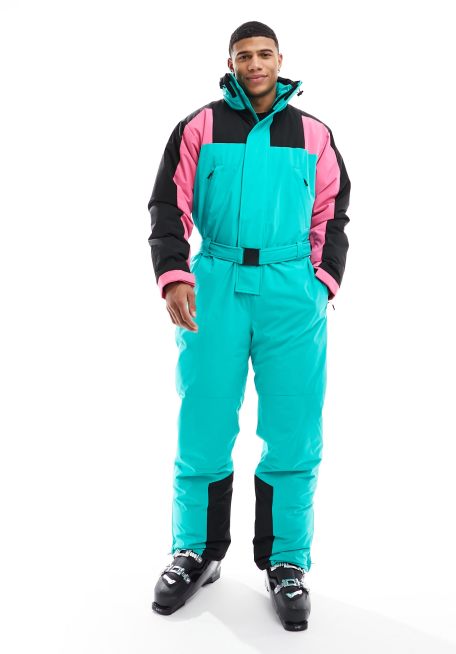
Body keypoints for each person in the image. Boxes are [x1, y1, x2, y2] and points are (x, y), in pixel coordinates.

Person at [147, 20, 351, 631]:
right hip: (216, 283)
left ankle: (286, 562)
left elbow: (334, 211)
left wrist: (322, 283)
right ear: (231, 62)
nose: (255, 64)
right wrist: (174, 273)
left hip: (292, 290)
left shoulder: (313, 134)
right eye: (244, 55)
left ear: (280, 60)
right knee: (204, 422)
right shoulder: (199, 127)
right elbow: (168, 204)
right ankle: (196, 552)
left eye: (265, 54)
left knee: (293, 429)